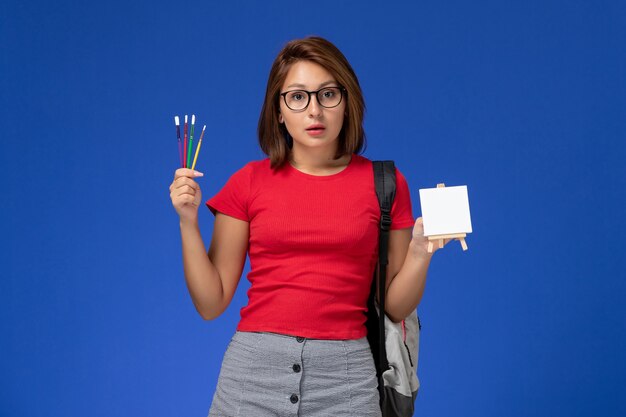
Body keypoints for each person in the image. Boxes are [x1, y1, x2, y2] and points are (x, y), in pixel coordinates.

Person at [169, 36, 448, 417]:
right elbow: (210, 302)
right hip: (252, 376)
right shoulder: (248, 182)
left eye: (328, 94)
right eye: (298, 97)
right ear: (279, 111)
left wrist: (420, 252)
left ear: (347, 103)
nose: (314, 110)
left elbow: (395, 305)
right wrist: (188, 222)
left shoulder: (385, 183)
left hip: (346, 381)